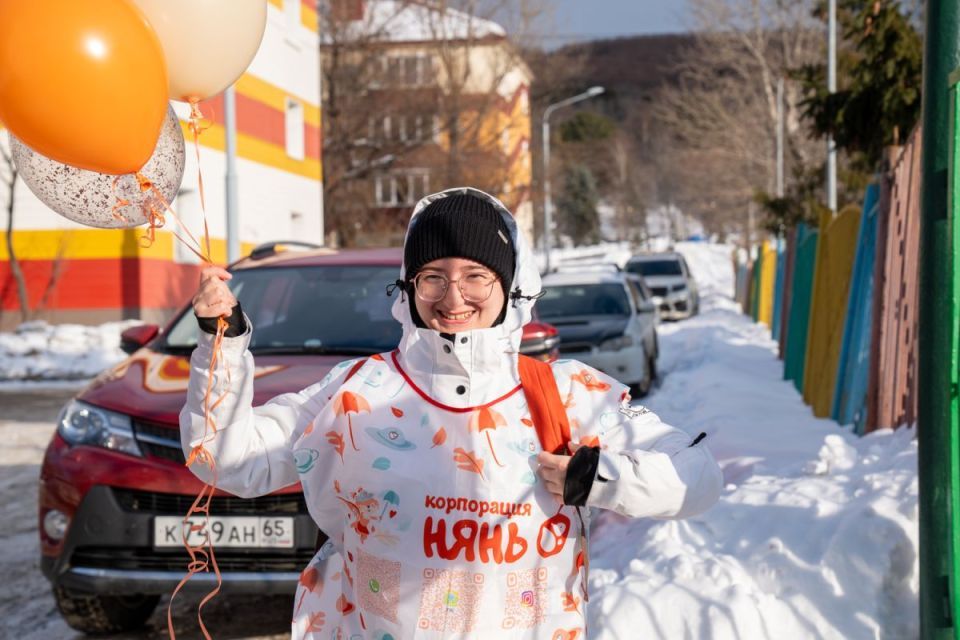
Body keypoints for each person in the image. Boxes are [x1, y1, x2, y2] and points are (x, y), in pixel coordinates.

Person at [181, 187, 723, 639]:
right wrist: (219, 345)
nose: (453, 296)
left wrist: (598, 478)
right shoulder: (357, 390)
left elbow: (697, 477)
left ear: (508, 284)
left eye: (475, 275)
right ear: (409, 285)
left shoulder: (567, 392)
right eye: (433, 276)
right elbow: (227, 460)